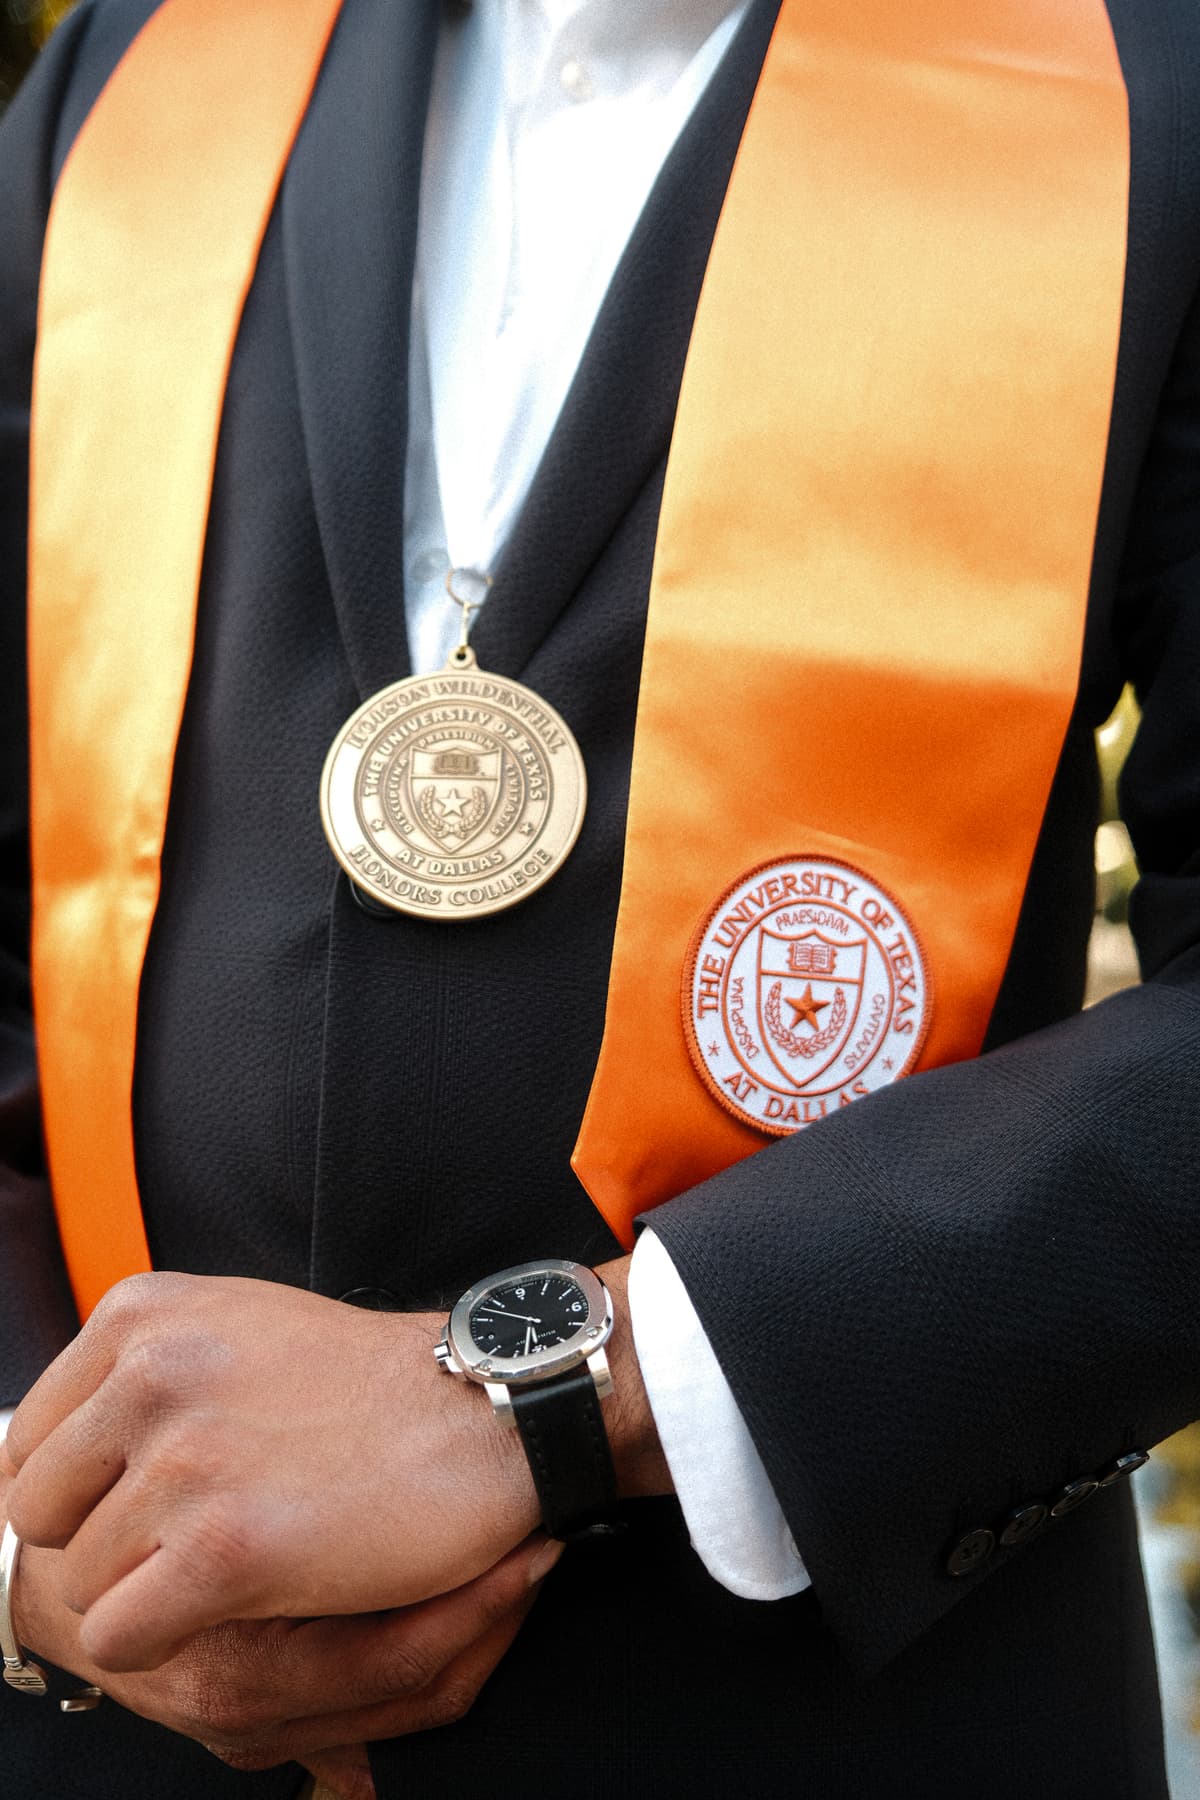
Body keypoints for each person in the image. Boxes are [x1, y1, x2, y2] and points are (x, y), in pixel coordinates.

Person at [2, 0, 1199, 1795]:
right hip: (107, 1720)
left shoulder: (1150, 78)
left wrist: (574, 1391)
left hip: (849, 1725)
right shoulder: (134, 66)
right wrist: (28, 1522)